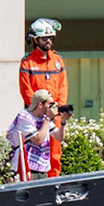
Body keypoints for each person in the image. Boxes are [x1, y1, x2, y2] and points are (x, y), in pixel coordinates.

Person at [18, 19, 69, 177]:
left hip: (54, 114)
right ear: (35, 40)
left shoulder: (58, 61)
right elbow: (26, 91)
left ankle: (54, 184)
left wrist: (57, 110)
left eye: (51, 38)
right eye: (45, 38)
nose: (48, 41)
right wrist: (41, 111)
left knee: (55, 153)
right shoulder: (27, 63)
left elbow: (63, 87)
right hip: (36, 116)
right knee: (33, 153)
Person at [8, 89, 61, 182]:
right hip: (26, 168)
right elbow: (38, 140)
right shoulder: (24, 117)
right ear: (40, 105)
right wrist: (48, 118)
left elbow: (59, 137)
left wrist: (63, 121)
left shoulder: (44, 118)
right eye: (50, 104)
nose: (52, 107)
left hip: (42, 167)